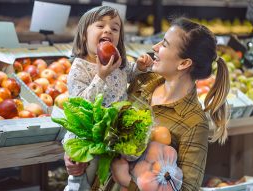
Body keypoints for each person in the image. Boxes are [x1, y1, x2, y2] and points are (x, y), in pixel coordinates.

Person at [106, 17, 231, 191]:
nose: (154, 47)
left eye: (164, 44)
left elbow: (187, 188)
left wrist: (128, 181)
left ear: (184, 63)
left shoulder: (194, 123)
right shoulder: (142, 83)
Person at [63, 5, 152, 191]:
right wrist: (100, 76)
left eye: (114, 28)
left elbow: (131, 76)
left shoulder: (119, 64)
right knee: (85, 181)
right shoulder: (79, 68)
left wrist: (141, 68)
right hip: (89, 139)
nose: (108, 30)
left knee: (110, 183)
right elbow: (80, 105)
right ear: (84, 34)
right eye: (100, 26)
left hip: (113, 140)